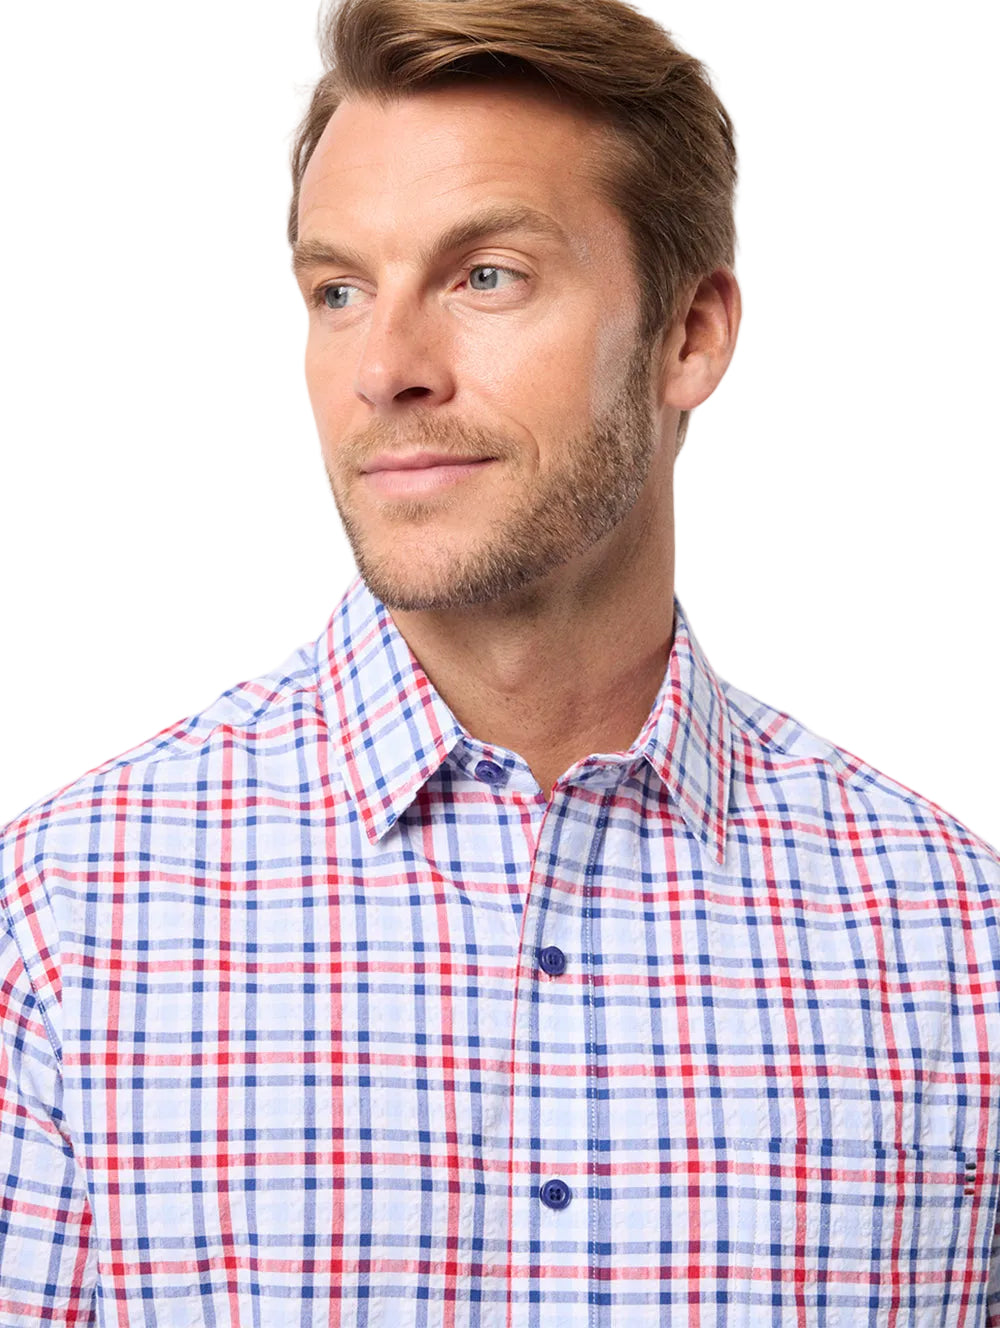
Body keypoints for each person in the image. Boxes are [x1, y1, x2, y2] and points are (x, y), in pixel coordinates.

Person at [2, 0, 998, 1322]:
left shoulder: (957, 945)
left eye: (487, 276)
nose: (385, 369)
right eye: (339, 291)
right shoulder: (64, 924)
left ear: (690, 335)